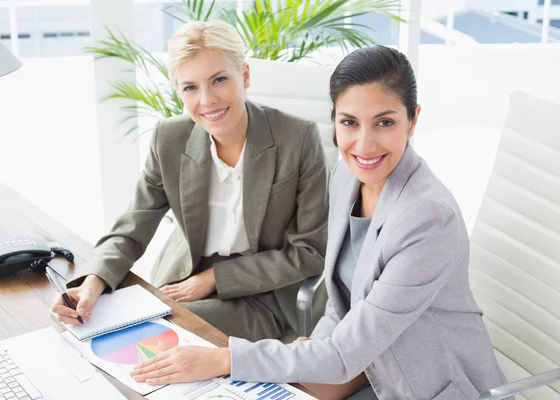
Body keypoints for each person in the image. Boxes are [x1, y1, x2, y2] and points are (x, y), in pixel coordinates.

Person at [129, 46, 509, 400]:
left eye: (384, 122)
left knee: (228, 370)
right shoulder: (347, 175)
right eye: (349, 122)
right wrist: (317, 345)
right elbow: (340, 305)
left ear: (413, 121)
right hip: (367, 362)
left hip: (427, 385)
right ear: (334, 120)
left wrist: (228, 356)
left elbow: (346, 351)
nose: (364, 144)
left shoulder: (428, 219)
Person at [50, 20, 329, 342]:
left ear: (246, 75)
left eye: (219, 80)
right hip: (183, 280)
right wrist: (92, 283)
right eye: (190, 87)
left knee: (148, 335)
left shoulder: (297, 138)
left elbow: (309, 251)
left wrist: (215, 278)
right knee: (100, 324)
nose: (207, 100)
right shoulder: (171, 139)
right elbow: (132, 226)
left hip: (264, 296)